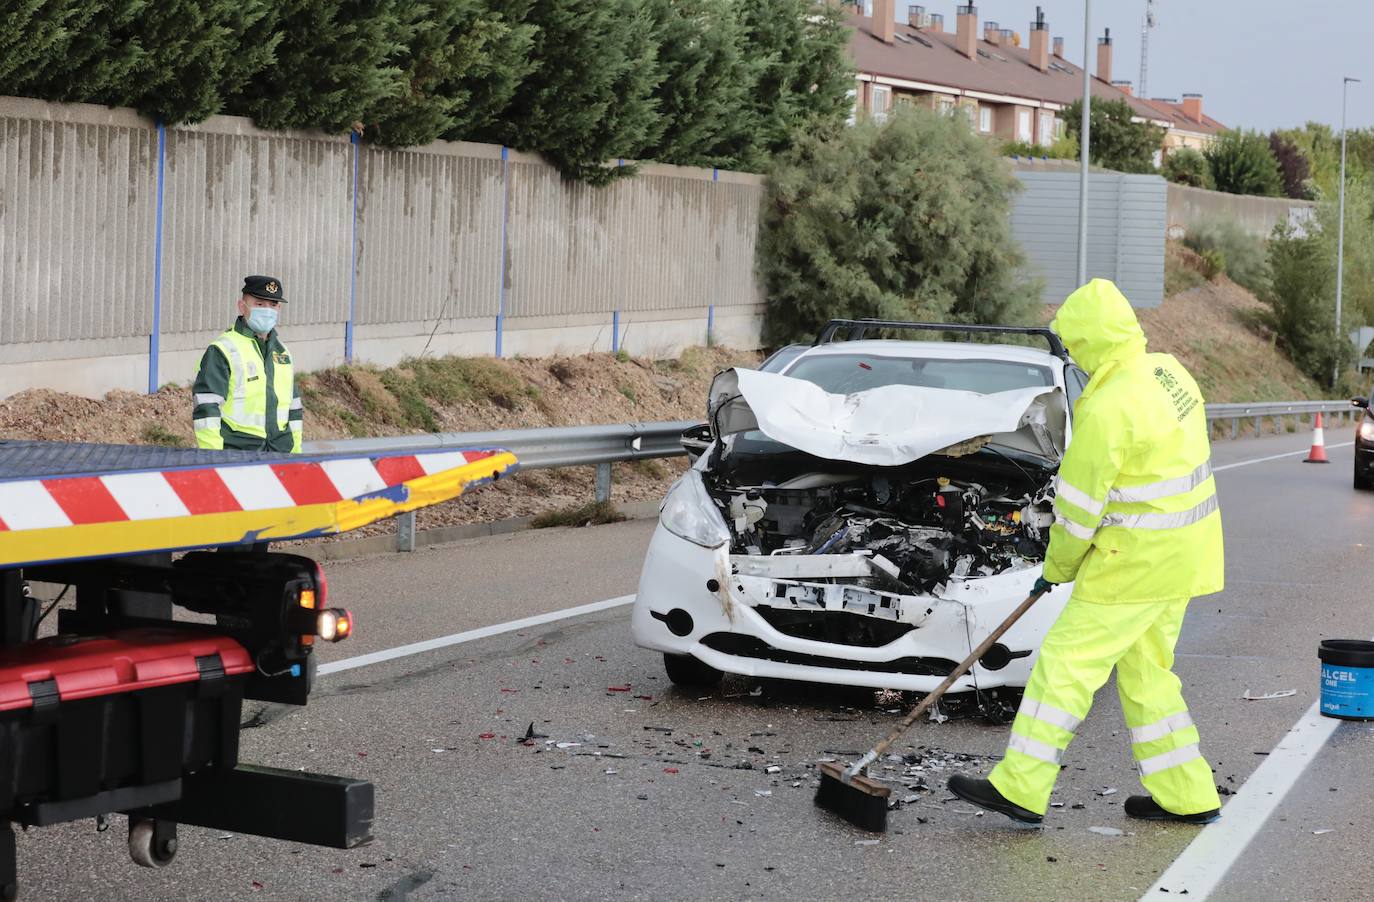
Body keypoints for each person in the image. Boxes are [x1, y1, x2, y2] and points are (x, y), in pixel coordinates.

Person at [948, 278, 1224, 826]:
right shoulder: (1168, 372)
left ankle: (1021, 787)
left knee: (1063, 668)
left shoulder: (1108, 407)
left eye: (1075, 345)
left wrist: (1057, 568)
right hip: (1184, 556)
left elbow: (1077, 511)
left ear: (1094, 340)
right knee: (1148, 676)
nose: (1074, 357)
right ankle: (1187, 794)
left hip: (1132, 564)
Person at [192, 275, 302, 453]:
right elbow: (207, 408)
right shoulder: (223, 349)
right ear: (242, 307)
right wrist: (213, 456)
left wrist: (296, 455)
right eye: (259, 304)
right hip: (237, 454)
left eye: (273, 305)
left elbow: (294, 409)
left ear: (279, 308)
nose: (267, 310)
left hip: (280, 453)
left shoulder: (283, 353)